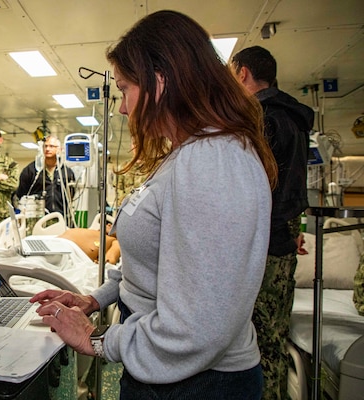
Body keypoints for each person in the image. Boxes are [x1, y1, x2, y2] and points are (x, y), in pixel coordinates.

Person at [30, 10, 278, 399]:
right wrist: (95, 299)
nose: (122, 108)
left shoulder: (212, 161)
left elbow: (198, 328)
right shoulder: (189, 155)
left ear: (159, 82)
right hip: (167, 365)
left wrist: (98, 340)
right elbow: (156, 267)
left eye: (125, 89)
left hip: (197, 382)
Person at [231, 45, 315, 400]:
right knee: (276, 334)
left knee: (258, 341)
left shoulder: (260, 119)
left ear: (243, 74)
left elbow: (253, 188)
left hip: (263, 244)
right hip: (283, 239)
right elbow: (292, 186)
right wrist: (292, 229)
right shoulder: (295, 119)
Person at [16, 136, 75, 224]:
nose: (47, 149)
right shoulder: (31, 170)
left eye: (51, 146)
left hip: (60, 219)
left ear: (59, 149)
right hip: (36, 220)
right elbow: (21, 194)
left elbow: (71, 195)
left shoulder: (66, 172)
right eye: (45, 146)